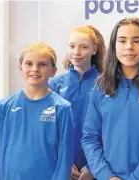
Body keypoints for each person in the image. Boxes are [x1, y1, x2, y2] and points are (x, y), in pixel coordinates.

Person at [81, 17, 139, 180]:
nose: (129, 47)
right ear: (114, 45)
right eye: (122, 41)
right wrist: (106, 175)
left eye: (136, 41)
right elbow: (90, 138)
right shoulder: (101, 87)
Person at [0, 42, 74, 179]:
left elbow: (65, 158)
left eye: (42, 64)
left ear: (53, 71)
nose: (35, 69)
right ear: (20, 68)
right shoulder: (3, 107)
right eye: (29, 64)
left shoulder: (62, 108)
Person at [49, 25, 106, 180]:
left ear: (94, 50)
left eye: (84, 47)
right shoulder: (54, 85)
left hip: (98, 168)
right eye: (72, 46)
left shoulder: (107, 83)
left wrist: (93, 167)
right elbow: (48, 130)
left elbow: (111, 130)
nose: (76, 52)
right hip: (63, 169)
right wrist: (62, 163)